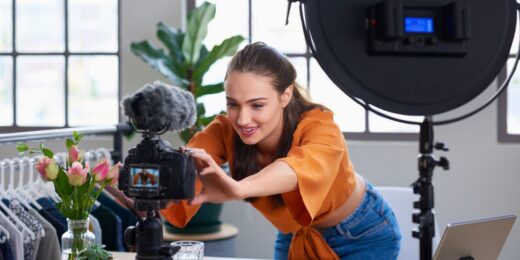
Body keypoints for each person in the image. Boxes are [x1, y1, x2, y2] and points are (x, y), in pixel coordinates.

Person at [160, 42, 401, 259]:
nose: (243, 119)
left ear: (285, 95)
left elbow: (297, 169)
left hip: (362, 232)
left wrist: (238, 188)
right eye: (233, 104)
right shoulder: (225, 129)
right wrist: (136, 187)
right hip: (295, 232)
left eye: (257, 105)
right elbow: (184, 162)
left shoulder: (321, 126)